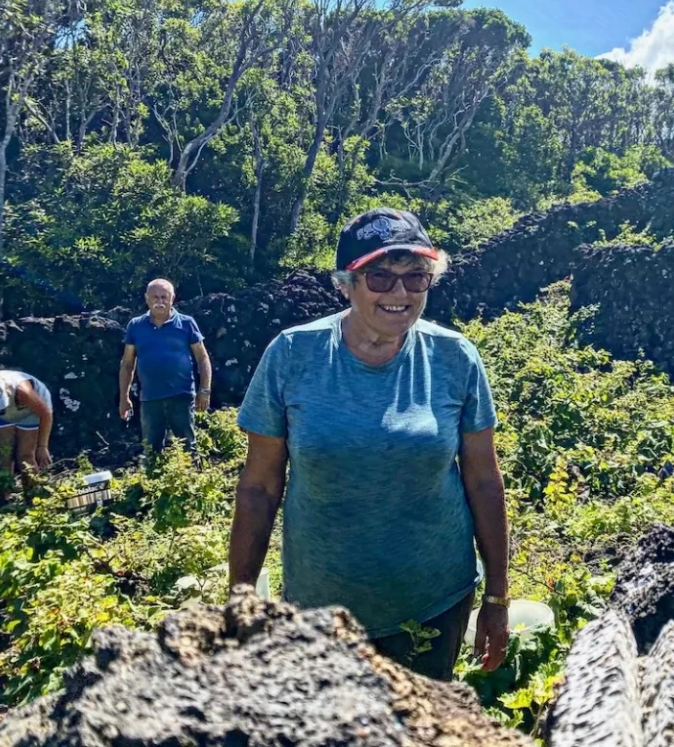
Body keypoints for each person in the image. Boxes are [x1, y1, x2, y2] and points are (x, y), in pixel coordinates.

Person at [227, 208, 510, 681]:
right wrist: (240, 598)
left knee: (421, 716)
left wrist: (497, 597)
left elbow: (483, 480)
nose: (399, 293)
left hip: (434, 605)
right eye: (379, 277)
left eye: (415, 277)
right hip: (320, 610)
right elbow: (259, 488)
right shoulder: (293, 355)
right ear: (346, 285)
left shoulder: (454, 357)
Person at [118, 278, 212, 454]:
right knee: (151, 450)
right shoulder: (136, 326)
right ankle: (153, 473)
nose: (159, 301)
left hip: (182, 396)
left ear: (172, 298)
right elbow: (127, 364)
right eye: (155, 297)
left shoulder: (186, 323)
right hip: (150, 399)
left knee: (188, 449)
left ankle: (192, 473)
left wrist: (204, 390)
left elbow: (202, 358)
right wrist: (124, 397)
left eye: (164, 297)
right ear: (147, 298)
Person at [0, 369, 54, 487]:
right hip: (0, 418)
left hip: (30, 411)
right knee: (3, 455)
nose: (2, 411)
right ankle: (5, 494)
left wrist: (42, 446)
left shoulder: (24, 391)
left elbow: (45, 414)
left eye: (1, 408)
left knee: (25, 456)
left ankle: (33, 491)